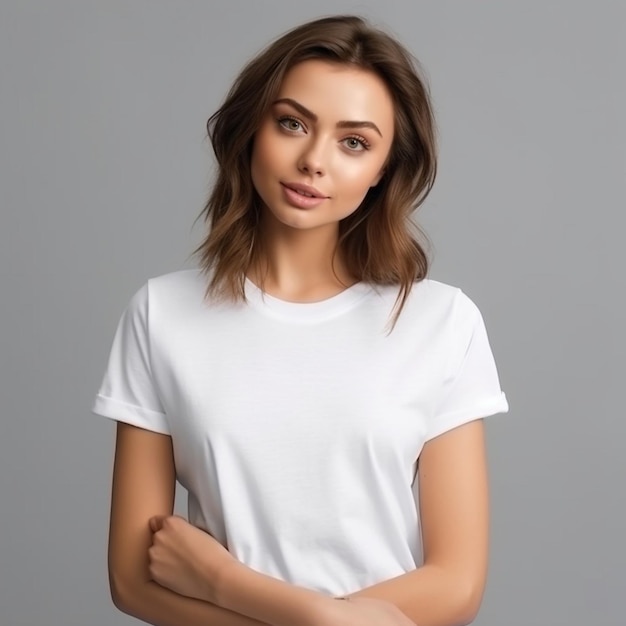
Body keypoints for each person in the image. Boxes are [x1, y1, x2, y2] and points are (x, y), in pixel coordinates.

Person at [91, 14, 509, 626]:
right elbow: (133, 579)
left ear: (384, 170)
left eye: (354, 142)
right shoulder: (162, 314)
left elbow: (456, 586)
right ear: (250, 131)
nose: (314, 160)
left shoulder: (441, 322)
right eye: (292, 123)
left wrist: (224, 581)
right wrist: (324, 620)